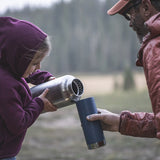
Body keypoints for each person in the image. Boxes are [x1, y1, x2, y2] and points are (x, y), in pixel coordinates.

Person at [87, 0, 160, 139]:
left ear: (146, 7)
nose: (130, 24)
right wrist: (121, 123)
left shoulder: (155, 47)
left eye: (129, 14)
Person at [0, 17, 57, 160]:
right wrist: (39, 104)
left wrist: (45, 78)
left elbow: (24, 73)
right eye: (34, 63)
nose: (38, 67)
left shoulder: (7, 66)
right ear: (17, 58)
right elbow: (18, 123)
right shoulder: (5, 86)